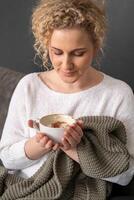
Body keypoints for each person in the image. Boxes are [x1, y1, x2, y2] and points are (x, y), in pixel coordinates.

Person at [0, 0, 134, 199]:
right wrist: (38, 145)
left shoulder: (117, 93)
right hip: (27, 188)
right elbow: (7, 159)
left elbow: (126, 175)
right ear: (46, 46)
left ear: (95, 46)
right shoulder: (29, 86)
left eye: (78, 53)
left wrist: (75, 148)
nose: (66, 65)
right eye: (57, 52)